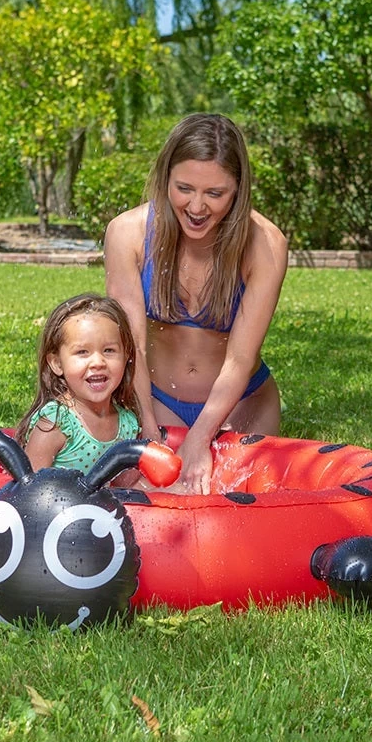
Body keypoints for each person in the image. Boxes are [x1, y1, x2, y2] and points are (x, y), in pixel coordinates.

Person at [104, 113, 288, 495]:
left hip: (243, 405)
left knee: (230, 516)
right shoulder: (128, 233)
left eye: (215, 194)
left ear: (238, 189)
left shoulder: (265, 245)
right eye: (184, 188)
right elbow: (130, 345)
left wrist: (200, 437)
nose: (197, 207)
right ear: (165, 178)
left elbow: (239, 358)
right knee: (151, 504)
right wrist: (148, 430)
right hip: (156, 403)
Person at [15, 293, 141, 482]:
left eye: (109, 350)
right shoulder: (56, 422)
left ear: (126, 356)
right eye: (82, 352)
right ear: (57, 363)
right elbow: (26, 489)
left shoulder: (127, 424)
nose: (98, 362)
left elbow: (129, 488)